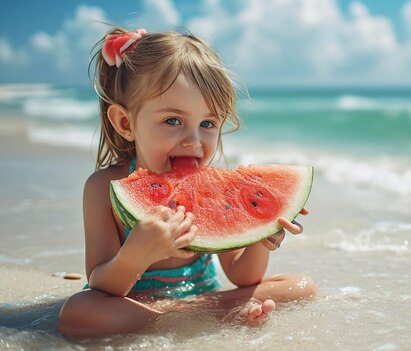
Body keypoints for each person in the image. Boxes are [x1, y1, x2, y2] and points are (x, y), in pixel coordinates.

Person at [58, 28, 317, 337]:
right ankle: (208, 315)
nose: (194, 140)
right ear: (126, 123)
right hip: (132, 305)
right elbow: (100, 282)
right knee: (78, 313)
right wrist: (135, 255)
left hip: (201, 297)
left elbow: (242, 276)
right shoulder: (104, 187)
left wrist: (262, 235)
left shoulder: (218, 188)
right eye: (173, 121)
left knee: (303, 286)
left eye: (208, 123)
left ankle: (187, 314)